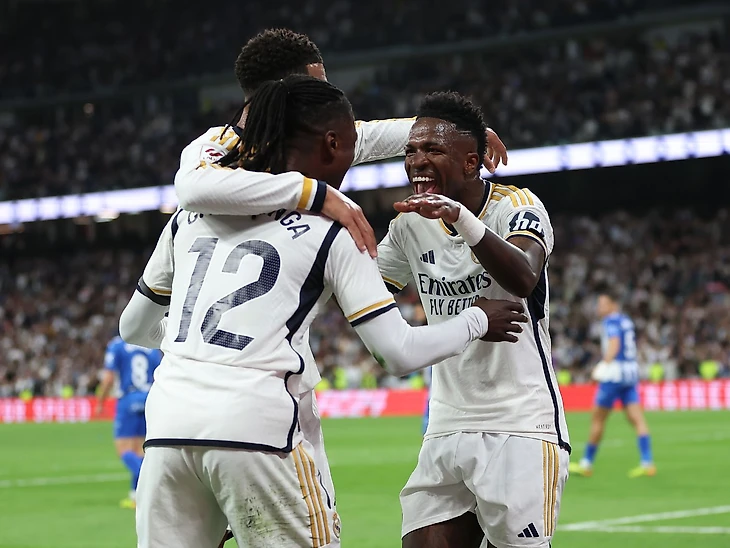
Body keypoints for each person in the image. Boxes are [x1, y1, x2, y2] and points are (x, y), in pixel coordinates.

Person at [120, 76, 527, 548]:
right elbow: (397, 353)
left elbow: (134, 326)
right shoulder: (336, 225)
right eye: (354, 144)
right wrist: (477, 319)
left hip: (167, 430)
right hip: (258, 431)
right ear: (333, 144)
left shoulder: (186, 217)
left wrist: (196, 346)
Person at [378, 91, 570, 548]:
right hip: (445, 423)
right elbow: (365, 296)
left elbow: (523, 275)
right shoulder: (409, 224)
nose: (417, 161)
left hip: (520, 424)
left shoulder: (517, 205)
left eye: (433, 150)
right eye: (411, 151)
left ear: (470, 162)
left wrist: (462, 219)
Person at [569, 288, 655, 478]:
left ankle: (586, 463)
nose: (599, 308)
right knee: (637, 419)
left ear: (613, 305)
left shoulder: (611, 321)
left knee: (598, 418)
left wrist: (601, 367)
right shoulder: (626, 320)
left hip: (614, 375)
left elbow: (614, 346)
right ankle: (647, 463)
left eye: (602, 304)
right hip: (630, 373)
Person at [95, 337, 162, 508]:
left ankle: (153, 485)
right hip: (148, 399)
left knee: (124, 451)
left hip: (128, 399)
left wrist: (100, 401)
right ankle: (135, 496)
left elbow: (109, 378)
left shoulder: (117, 345)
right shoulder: (151, 347)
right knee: (140, 451)